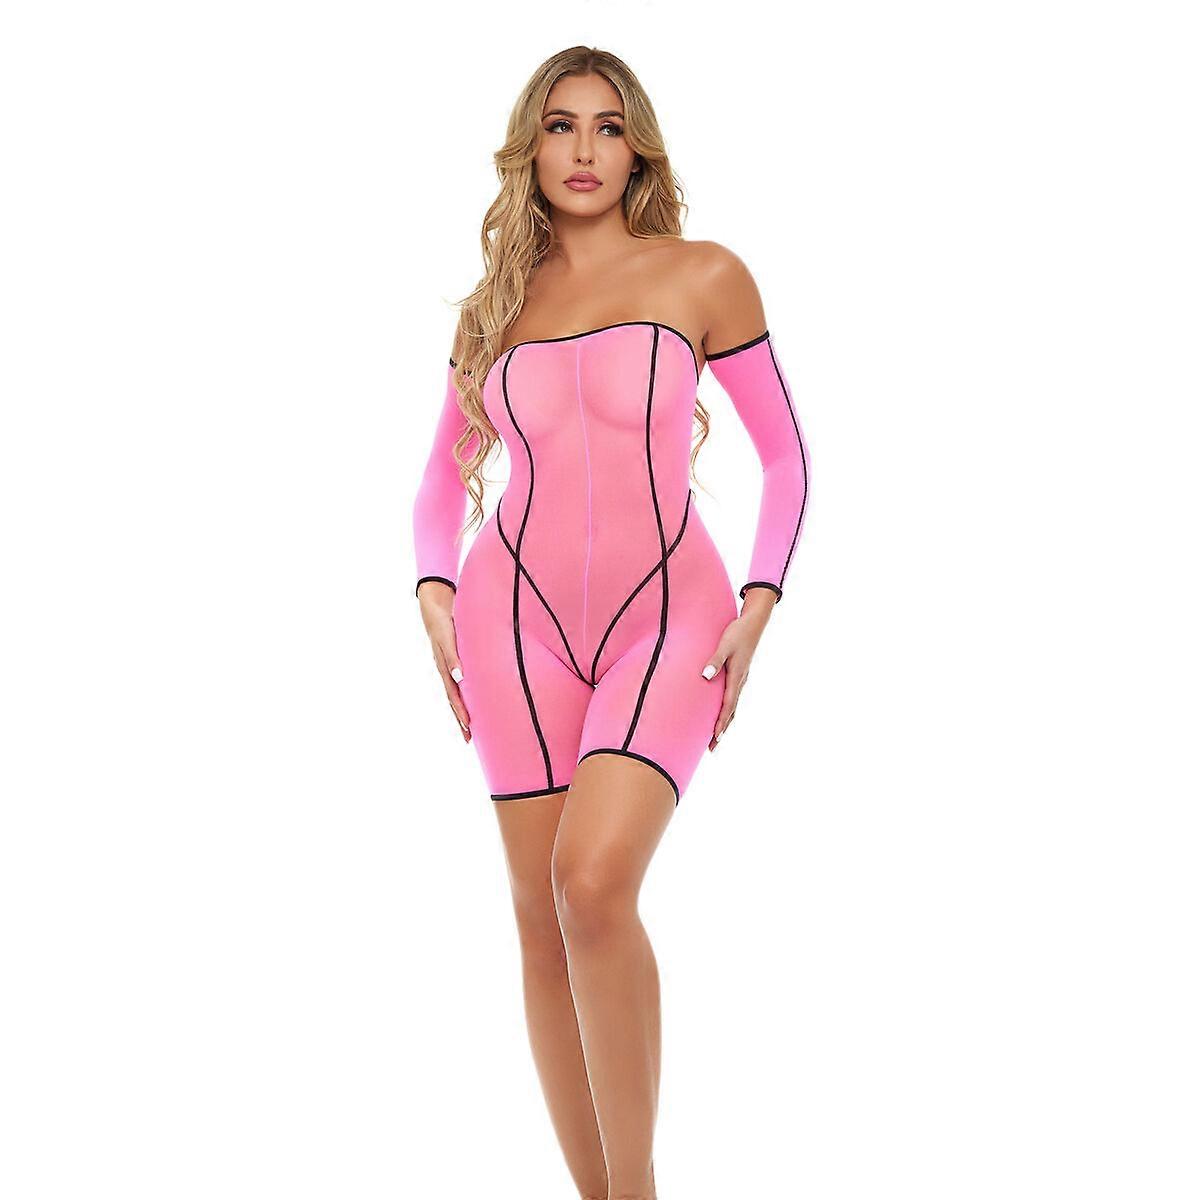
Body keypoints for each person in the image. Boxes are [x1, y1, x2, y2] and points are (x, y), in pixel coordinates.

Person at [412, 46, 809, 1200]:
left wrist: (760, 604)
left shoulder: (703, 276)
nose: (583, 150)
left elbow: (786, 458)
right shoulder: (496, 307)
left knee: (591, 886)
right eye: (559, 126)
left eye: (607, 126)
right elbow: (439, 483)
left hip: (669, 617)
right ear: (528, 150)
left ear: (638, 148)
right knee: (540, 923)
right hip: (512, 622)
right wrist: (433, 590)